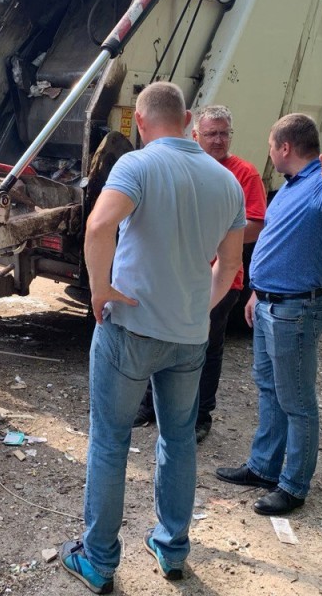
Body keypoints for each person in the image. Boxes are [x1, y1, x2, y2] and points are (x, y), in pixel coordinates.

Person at [61, 82, 246, 593]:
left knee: (110, 441)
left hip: (131, 330)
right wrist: (197, 309)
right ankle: (171, 547)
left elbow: (98, 228)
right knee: (179, 439)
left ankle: (98, 561)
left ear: (140, 123)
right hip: (189, 337)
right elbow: (230, 265)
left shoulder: (137, 166)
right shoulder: (227, 182)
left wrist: (100, 292)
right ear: (188, 119)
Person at [215, 113, 322, 516]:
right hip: (270, 303)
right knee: (269, 388)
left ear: (285, 148)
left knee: (296, 400)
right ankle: (263, 466)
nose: (269, 153)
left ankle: (293, 486)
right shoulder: (292, 185)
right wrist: (257, 293)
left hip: (296, 309)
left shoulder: (319, 184)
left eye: (270, 146)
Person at [133, 104, 266, 442]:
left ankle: (201, 416)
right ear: (195, 135)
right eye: (211, 134)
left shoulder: (244, 173)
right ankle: (149, 406)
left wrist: (212, 234)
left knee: (207, 348)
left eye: (224, 133)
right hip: (177, 275)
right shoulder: (184, 167)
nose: (218, 140)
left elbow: (256, 223)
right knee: (160, 339)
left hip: (222, 279)